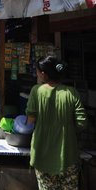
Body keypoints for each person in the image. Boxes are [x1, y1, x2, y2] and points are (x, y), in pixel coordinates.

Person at [26, 56, 86, 190]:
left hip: (43, 155)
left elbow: (30, 121)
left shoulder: (36, 91)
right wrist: (67, 130)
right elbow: (82, 123)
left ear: (43, 74)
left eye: (37, 71)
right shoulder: (72, 92)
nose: (36, 74)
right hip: (68, 156)